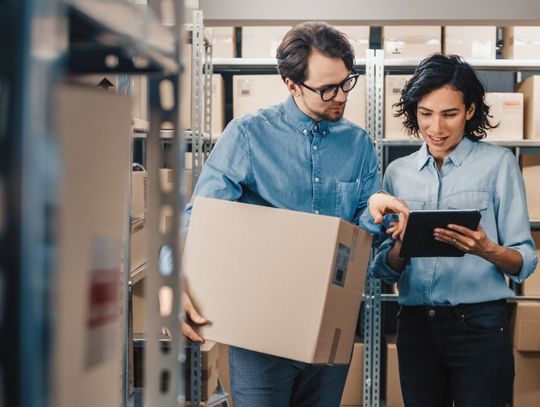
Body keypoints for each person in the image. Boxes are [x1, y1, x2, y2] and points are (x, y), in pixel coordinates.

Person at [182, 22, 409, 407]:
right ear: (290, 84)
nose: (341, 97)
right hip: (260, 333)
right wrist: (175, 275)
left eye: (345, 83)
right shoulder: (249, 136)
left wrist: (373, 213)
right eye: (326, 89)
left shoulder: (359, 146)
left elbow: (361, 242)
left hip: (329, 329)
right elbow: (199, 218)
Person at [369, 54, 538, 407]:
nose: (436, 128)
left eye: (450, 114)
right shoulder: (397, 173)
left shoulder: (498, 164)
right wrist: (401, 244)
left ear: (471, 110)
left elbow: (523, 260)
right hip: (415, 327)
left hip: (479, 326)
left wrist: (484, 248)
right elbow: (383, 269)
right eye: (426, 114)